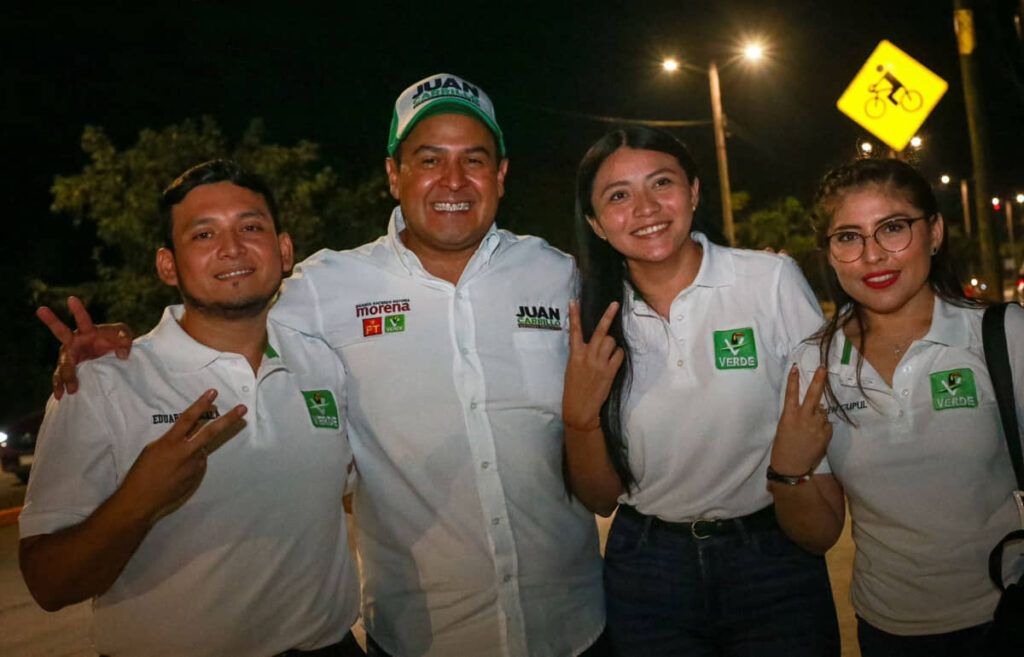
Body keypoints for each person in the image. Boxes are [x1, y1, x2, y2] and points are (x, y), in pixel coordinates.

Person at [41, 74, 607, 657]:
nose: (453, 180)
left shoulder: (560, 275)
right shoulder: (324, 287)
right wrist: (125, 347)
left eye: (474, 159)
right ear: (394, 175)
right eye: (429, 159)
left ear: (501, 174)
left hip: (573, 625)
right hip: (420, 636)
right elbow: (226, 311)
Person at [22, 160, 362, 657]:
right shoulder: (103, 384)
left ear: (285, 250)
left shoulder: (325, 363)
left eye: (251, 227)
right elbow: (48, 585)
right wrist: (138, 500)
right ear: (167, 265)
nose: (232, 247)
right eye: (203, 234)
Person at [562, 125, 840, 656]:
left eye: (661, 183)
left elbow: (819, 437)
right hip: (647, 570)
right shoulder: (590, 319)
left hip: (771, 558)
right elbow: (599, 498)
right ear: (595, 223)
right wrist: (580, 417)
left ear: (693, 191)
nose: (645, 208)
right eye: (618, 196)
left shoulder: (769, 280)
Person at [769, 158, 1024, 657]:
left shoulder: (1001, 334)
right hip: (887, 629)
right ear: (830, 253)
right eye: (848, 237)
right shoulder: (813, 364)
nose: (872, 256)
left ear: (935, 232)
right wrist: (787, 469)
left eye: (892, 228)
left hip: (1006, 615)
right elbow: (818, 536)